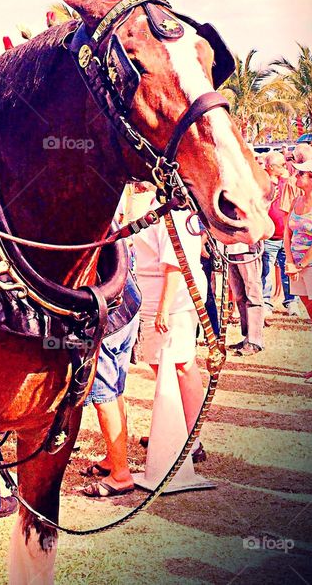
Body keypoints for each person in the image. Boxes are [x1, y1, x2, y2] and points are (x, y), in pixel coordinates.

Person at [131, 183, 205, 453]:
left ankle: (190, 439)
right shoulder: (155, 205)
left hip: (173, 299)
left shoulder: (175, 212)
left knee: (180, 366)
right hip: (157, 297)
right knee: (166, 367)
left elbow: (175, 265)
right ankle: (172, 427)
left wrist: (164, 307)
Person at [80, 228, 142, 499]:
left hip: (108, 318)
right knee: (115, 391)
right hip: (127, 308)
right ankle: (113, 459)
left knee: (103, 395)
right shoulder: (109, 211)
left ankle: (120, 474)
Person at [284, 159, 312, 382]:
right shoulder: (295, 201)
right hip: (298, 267)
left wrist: (299, 265)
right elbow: (287, 234)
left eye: (301, 174)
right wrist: (291, 262)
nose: (296, 176)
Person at [263, 151, 296, 316]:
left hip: (287, 235)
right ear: (270, 167)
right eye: (281, 165)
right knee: (267, 271)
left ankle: (291, 302)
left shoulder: (288, 183)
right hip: (270, 236)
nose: (285, 167)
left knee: (287, 269)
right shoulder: (263, 184)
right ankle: (266, 303)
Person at [226, 237, 265, 354]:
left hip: (248, 250)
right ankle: (248, 337)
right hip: (229, 251)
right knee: (239, 295)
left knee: (253, 295)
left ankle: (255, 340)